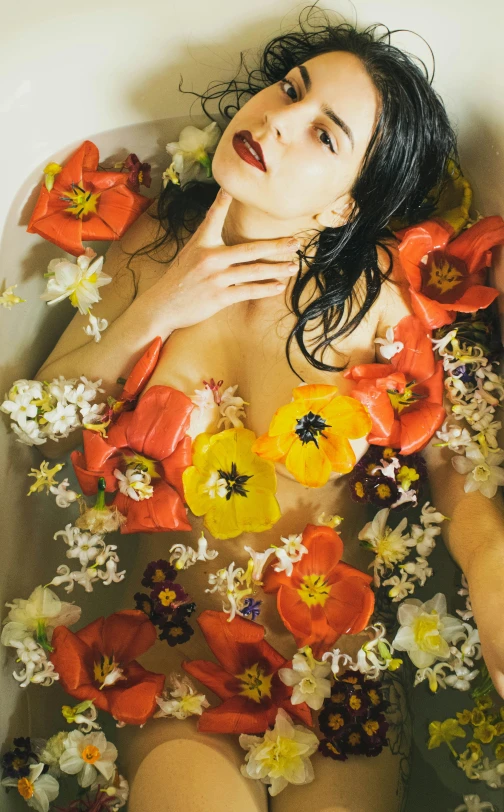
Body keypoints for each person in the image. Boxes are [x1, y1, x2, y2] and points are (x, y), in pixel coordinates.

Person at [35, 7, 504, 811]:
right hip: (175, 676)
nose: (278, 119)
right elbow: (35, 415)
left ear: (345, 209)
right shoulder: (153, 248)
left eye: (324, 135)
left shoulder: (384, 314)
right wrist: (157, 310)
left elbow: (465, 492)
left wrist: (494, 587)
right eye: (290, 88)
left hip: (335, 689)